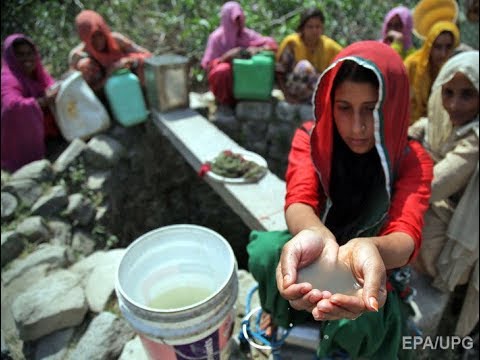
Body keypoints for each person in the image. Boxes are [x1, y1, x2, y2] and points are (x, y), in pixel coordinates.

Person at [247, 41, 434, 359]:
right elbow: (299, 200)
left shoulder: (412, 159)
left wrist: (367, 249)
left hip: (372, 265)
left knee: (364, 317)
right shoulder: (310, 137)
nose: (358, 126)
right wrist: (321, 240)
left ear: (393, 107)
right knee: (266, 254)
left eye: (372, 110)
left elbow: (406, 234)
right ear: (329, 102)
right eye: (344, 107)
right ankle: (282, 317)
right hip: (320, 247)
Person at [408, 50, 479, 337]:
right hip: (449, 217)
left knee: (407, 211)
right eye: (447, 92)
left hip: (464, 241)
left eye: (467, 95)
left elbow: (431, 186)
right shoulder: (443, 123)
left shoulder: (474, 140)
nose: (453, 104)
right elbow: (421, 128)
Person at [1, 33, 61, 173]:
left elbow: (51, 85)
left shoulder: (37, 73)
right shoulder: (8, 79)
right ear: (11, 57)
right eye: (20, 55)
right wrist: (43, 101)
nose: (27, 59)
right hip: (17, 143)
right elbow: (12, 107)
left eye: (30, 53)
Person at [200, 1, 278, 107]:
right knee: (222, 71)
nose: (237, 23)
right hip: (228, 81)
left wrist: (256, 49)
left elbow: (271, 44)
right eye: (234, 20)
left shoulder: (246, 35)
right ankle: (226, 103)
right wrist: (226, 57)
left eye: (239, 19)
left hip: (246, 78)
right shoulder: (216, 38)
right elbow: (209, 66)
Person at [69, 10, 152, 93]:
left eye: (100, 35)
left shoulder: (116, 40)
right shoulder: (78, 55)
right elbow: (74, 86)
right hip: (102, 95)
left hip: (131, 86)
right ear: (85, 38)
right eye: (93, 37)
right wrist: (109, 74)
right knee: (85, 65)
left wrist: (126, 61)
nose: (98, 41)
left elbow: (148, 56)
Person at [275, 7, 342, 104]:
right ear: (302, 28)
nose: (314, 30)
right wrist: (287, 96)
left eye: (318, 27)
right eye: (310, 27)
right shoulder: (292, 43)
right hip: (293, 88)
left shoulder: (329, 46)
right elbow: (279, 73)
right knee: (304, 66)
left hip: (316, 90)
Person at [404, 21, 460, 124]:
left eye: (448, 47)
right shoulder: (412, 65)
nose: (443, 53)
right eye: (438, 47)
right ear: (429, 46)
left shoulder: (450, 70)